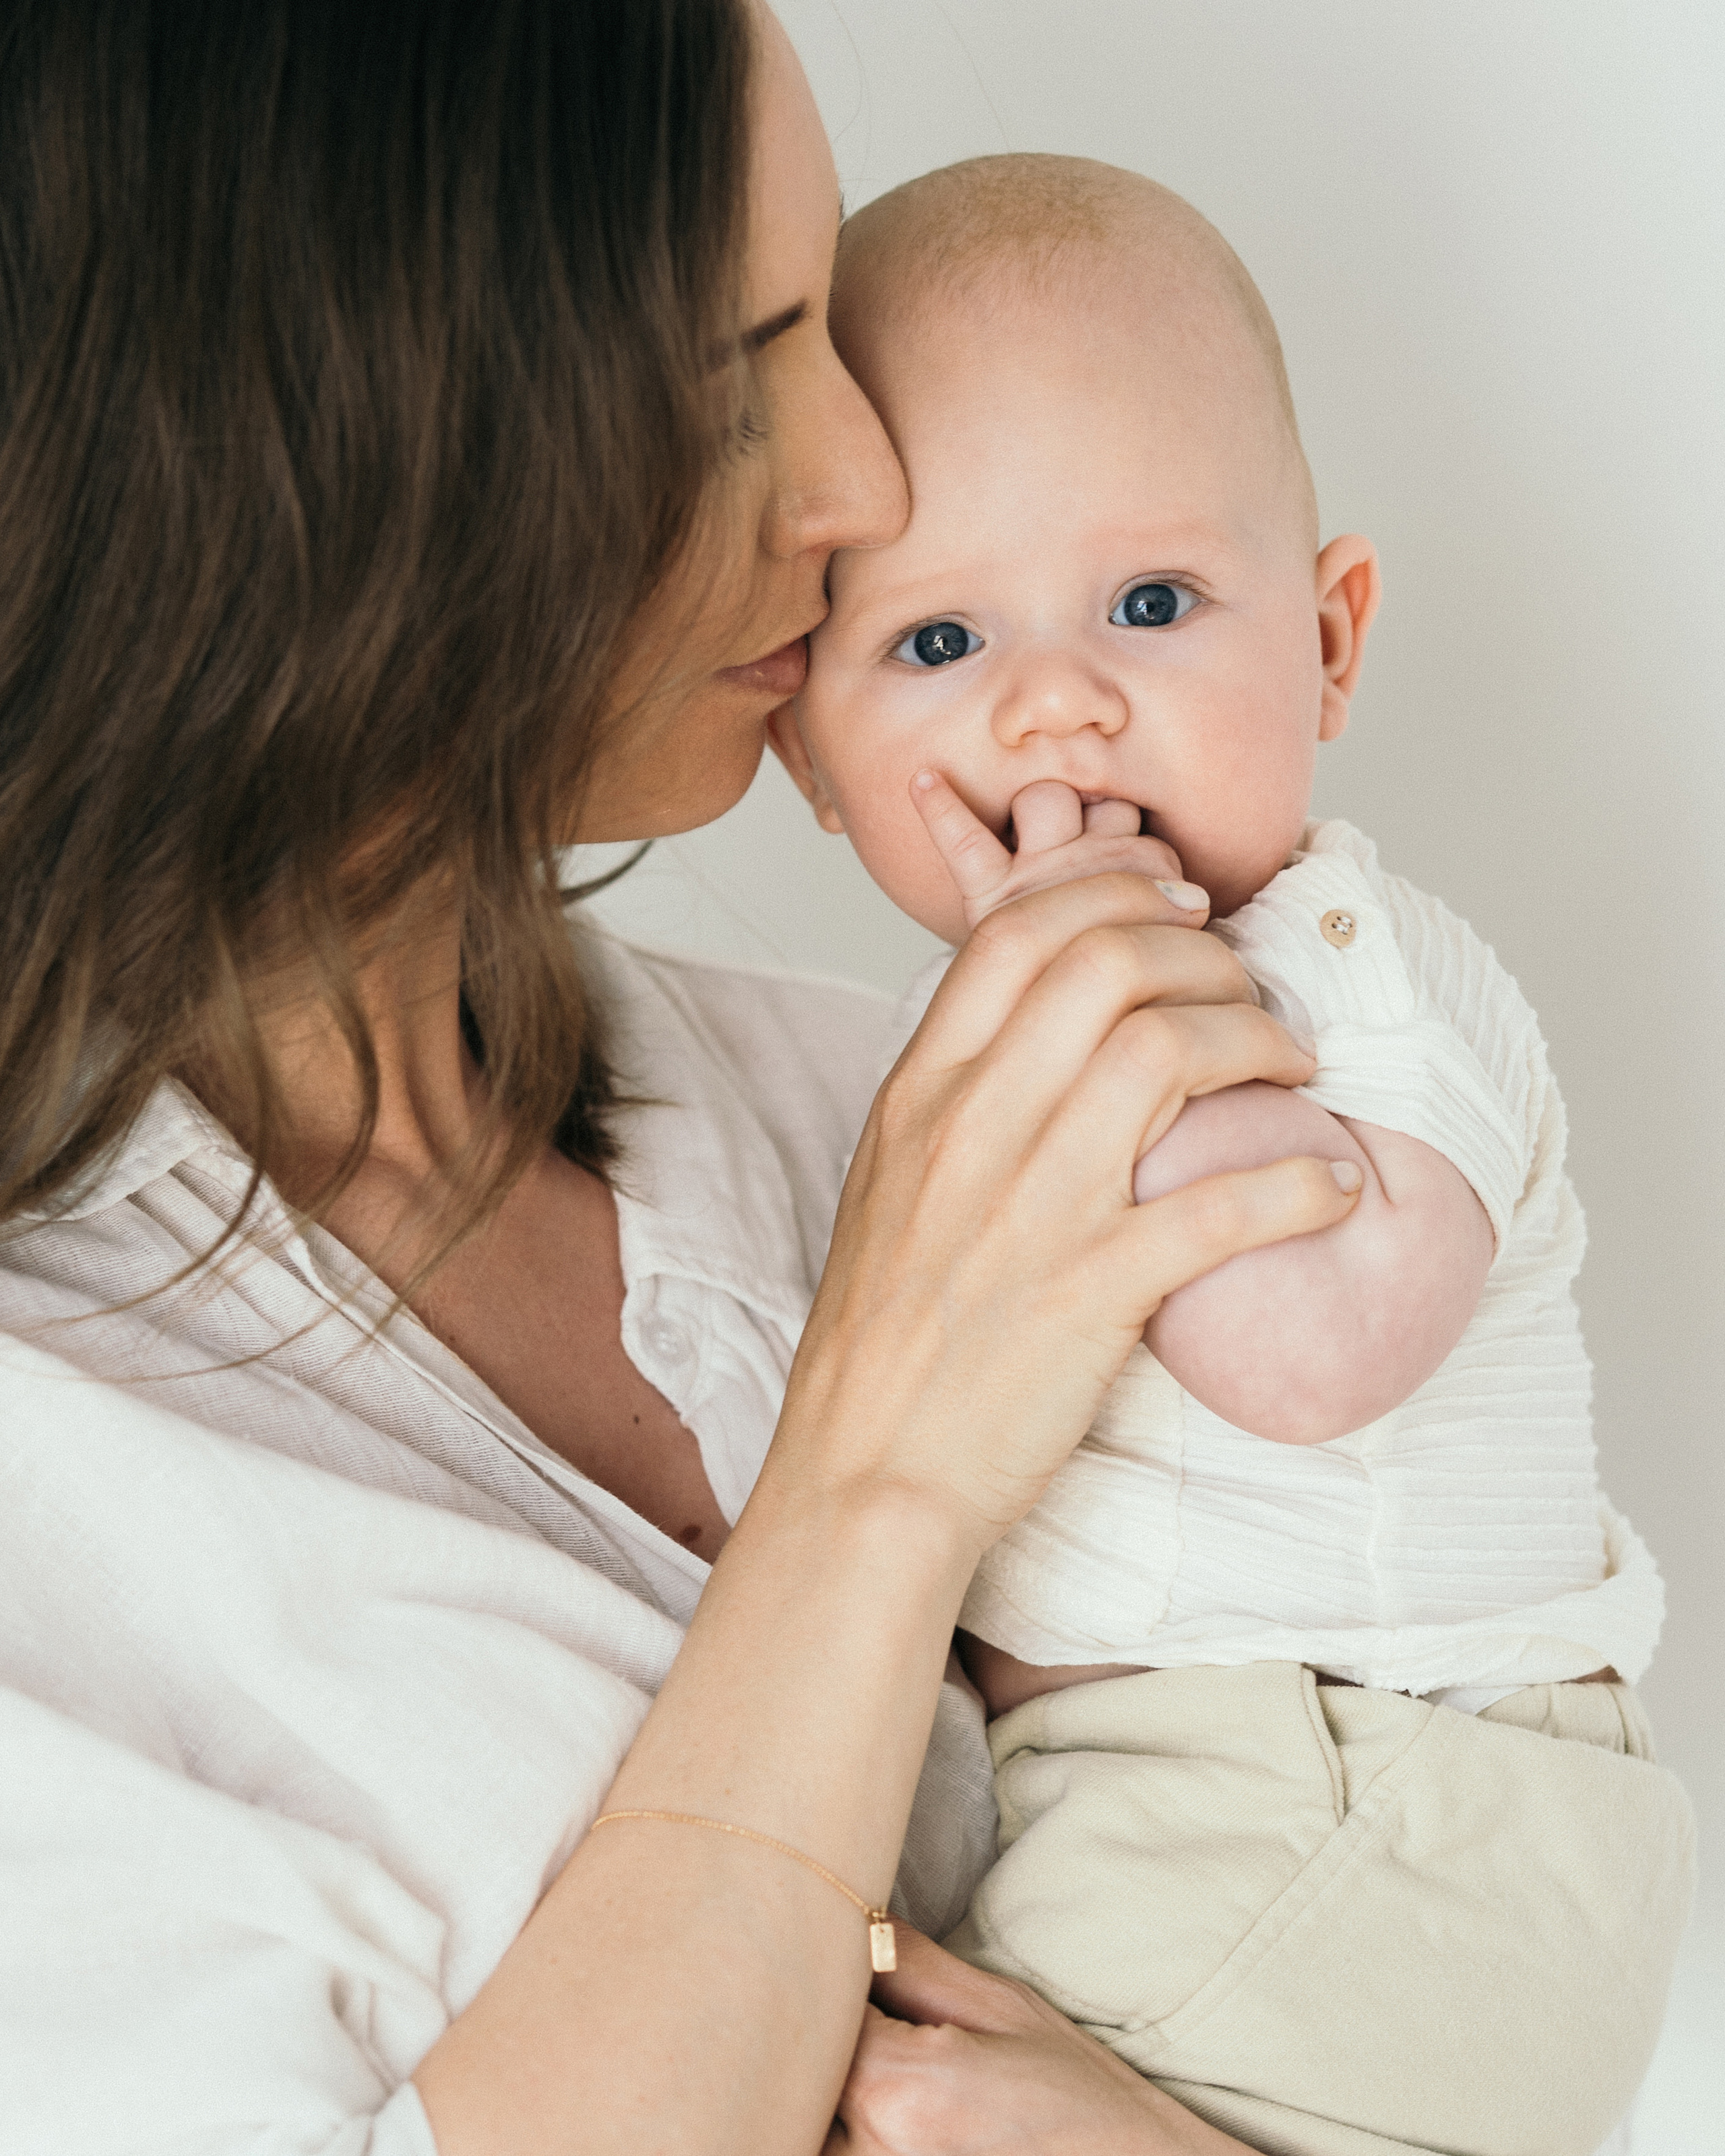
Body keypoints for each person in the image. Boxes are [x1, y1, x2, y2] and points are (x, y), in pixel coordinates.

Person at [0, 6, 1375, 2153]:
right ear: (337, 444)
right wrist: (878, 1479)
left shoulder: (901, 1104)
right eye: (726, 381)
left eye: (823, 328)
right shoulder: (55, 1460)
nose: (863, 485)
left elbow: (1448, 1881)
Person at [767, 154, 1695, 2156]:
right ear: (811, 762)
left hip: (1359, 1808)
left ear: (1334, 641)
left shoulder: (1356, 977)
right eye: (937, 646)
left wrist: (1128, 1013)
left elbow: (1310, 1353)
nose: (1056, 700)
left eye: (1153, 603)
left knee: (810, 2082)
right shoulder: (953, 1049)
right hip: (1242, 1809)